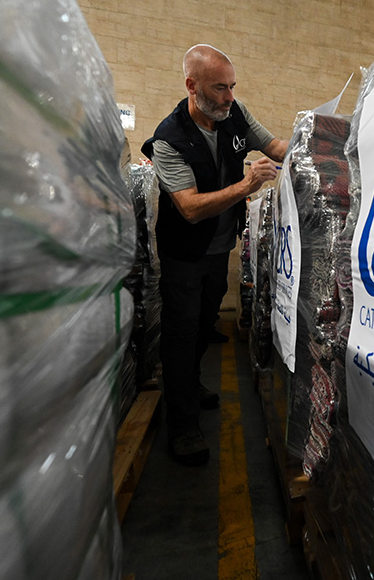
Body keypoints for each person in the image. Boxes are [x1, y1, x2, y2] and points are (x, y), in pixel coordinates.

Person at [142, 44, 288, 465]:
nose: (228, 96)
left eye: (232, 87)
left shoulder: (235, 113)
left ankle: (190, 384)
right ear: (192, 86)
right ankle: (183, 426)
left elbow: (274, 145)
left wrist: (319, 150)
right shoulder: (168, 140)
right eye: (219, 88)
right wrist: (246, 187)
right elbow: (188, 208)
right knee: (181, 334)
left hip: (218, 248)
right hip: (185, 255)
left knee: (205, 325)